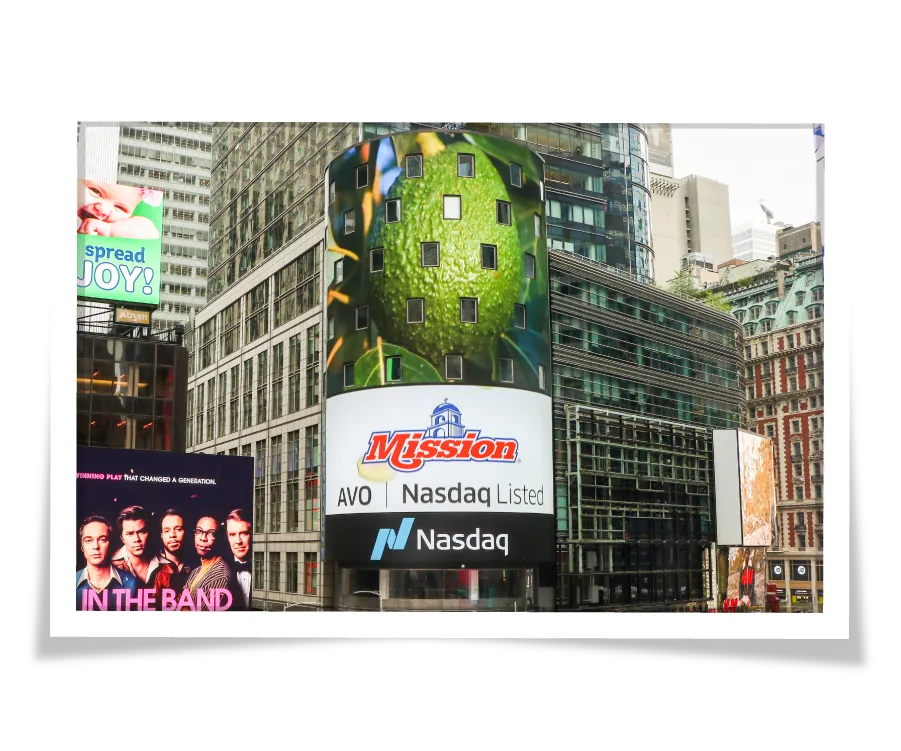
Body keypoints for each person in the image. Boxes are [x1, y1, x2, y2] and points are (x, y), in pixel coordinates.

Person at [76, 515, 139, 611]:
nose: (96, 546)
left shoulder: (131, 583)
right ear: (82, 547)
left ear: (110, 544)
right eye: (88, 540)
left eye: (102, 540)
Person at [182, 515, 236, 611]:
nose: (203, 538)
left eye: (211, 533)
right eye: (199, 531)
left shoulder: (220, 577)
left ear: (219, 538)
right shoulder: (196, 571)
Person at [77, 179, 160, 239]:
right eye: (95, 191)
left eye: (119, 207)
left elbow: (151, 232)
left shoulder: (114, 224)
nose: (105, 210)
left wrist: (109, 229)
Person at [111, 505, 169, 588]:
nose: (136, 539)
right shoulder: (110, 565)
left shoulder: (168, 567)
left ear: (149, 533)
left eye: (142, 532)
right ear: (122, 538)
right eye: (130, 534)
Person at [149, 508, 193, 610]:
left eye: (178, 529)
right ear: (161, 535)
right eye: (167, 531)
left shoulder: (196, 565)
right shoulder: (152, 569)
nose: (172, 535)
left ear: (185, 532)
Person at [226, 509, 252, 610]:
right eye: (232, 535)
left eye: (244, 533)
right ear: (227, 537)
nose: (238, 541)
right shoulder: (220, 568)